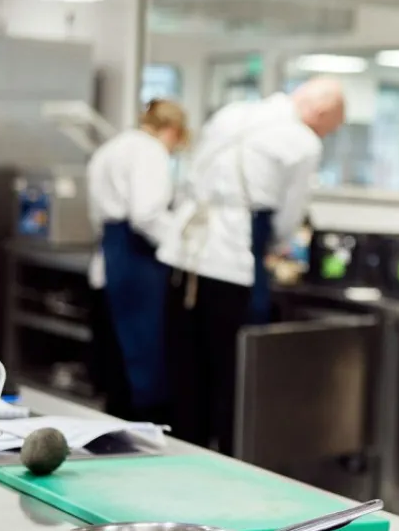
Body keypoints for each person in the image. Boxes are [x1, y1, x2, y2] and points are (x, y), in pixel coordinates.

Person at [156, 77, 344, 453]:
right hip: (233, 260)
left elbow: (192, 175)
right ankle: (226, 462)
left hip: (183, 251)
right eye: (329, 128)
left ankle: (180, 455)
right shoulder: (302, 142)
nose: (324, 135)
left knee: (184, 368)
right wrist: (275, 248)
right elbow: (288, 219)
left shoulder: (233, 113)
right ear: (320, 111)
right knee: (231, 375)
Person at [86, 98, 188, 421]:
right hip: (136, 261)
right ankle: (143, 426)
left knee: (117, 351)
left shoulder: (111, 148)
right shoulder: (150, 151)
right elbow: (146, 214)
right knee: (143, 352)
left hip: (110, 256)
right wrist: (179, 245)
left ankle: (116, 421)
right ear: (172, 130)